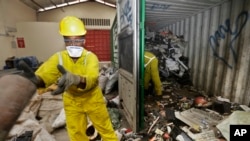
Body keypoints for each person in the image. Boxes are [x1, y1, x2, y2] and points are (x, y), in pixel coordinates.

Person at [35, 16, 118, 141]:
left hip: (93, 99)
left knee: (106, 131)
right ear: (64, 40)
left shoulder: (90, 57)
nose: (73, 44)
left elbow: (91, 79)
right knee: (76, 134)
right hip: (72, 100)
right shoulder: (59, 58)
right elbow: (45, 75)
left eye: (77, 40)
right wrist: (33, 80)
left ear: (84, 40)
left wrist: (76, 79)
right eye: (69, 41)